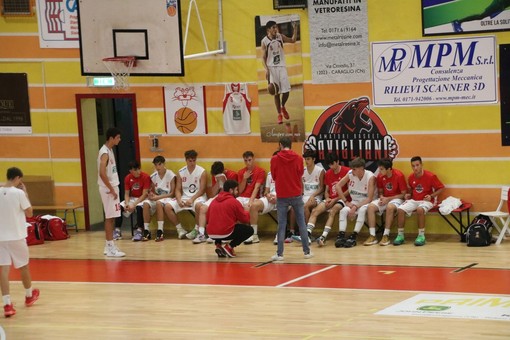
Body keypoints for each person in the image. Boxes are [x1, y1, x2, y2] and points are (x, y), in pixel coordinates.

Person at [0, 167, 40, 318]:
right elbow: (30, 213)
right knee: (23, 267)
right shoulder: (19, 193)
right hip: (16, 236)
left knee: (3, 270)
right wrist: (26, 194)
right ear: (17, 178)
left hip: (0, 237)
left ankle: (7, 304)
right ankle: (29, 295)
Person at [270, 137, 312, 261]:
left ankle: (280, 254)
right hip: (296, 193)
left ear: (280, 145)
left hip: (282, 195)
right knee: (302, 223)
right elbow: (300, 174)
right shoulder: (299, 158)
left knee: (282, 225)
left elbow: (274, 175)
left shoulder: (275, 159)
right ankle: (307, 252)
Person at [394, 156, 445, 246]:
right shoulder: (410, 177)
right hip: (415, 200)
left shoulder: (431, 176)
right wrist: (408, 195)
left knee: (420, 210)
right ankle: (400, 235)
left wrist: (431, 196)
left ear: (421, 165)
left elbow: (441, 188)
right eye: (413, 166)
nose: (415, 168)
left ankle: (421, 236)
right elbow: (411, 190)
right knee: (400, 210)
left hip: (428, 201)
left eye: (417, 165)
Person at [302, 153, 349, 246]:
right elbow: (327, 190)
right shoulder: (328, 173)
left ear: (338, 162)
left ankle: (323, 237)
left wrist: (335, 199)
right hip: (330, 199)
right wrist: (327, 198)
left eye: (333, 164)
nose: (331, 166)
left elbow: (349, 191)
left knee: (333, 211)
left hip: (342, 199)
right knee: (315, 211)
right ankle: (307, 234)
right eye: (329, 165)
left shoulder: (347, 171)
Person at [188, 161, 237, 244]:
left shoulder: (232, 175)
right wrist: (218, 182)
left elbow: (234, 193)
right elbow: (212, 194)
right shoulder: (216, 175)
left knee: (220, 209)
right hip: (218, 196)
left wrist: (225, 183)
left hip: (229, 197)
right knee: (203, 208)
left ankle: (223, 234)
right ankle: (201, 234)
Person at [164, 150, 207, 240]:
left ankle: (196, 229)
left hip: (198, 196)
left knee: (199, 205)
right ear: (186, 160)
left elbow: (202, 190)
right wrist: (179, 199)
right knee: (167, 206)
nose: (192, 163)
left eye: (194, 160)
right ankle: (180, 229)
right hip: (184, 197)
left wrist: (192, 199)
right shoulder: (181, 172)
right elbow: (178, 189)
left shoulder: (202, 171)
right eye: (190, 161)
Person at [334, 157, 376, 248]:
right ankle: (341, 235)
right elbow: (338, 186)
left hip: (366, 202)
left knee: (361, 211)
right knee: (343, 211)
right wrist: (346, 201)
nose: (352, 171)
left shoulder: (370, 177)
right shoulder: (350, 174)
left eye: (354, 169)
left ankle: (354, 236)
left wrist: (355, 207)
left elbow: (369, 198)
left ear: (361, 168)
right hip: (354, 201)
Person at [261, 20, 298, 124]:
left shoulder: (280, 37)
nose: (275, 29)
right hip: (271, 68)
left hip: (281, 66)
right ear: (268, 29)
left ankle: (283, 106)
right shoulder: (264, 41)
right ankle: (279, 115)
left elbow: (293, 40)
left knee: (286, 91)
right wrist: (267, 70)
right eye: (273, 28)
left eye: (276, 27)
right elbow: (263, 58)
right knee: (275, 92)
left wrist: (295, 29)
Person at [364, 158, 407, 246]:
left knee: (390, 207)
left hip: (397, 198)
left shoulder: (399, 175)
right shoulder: (380, 176)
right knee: (370, 207)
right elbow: (380, 191)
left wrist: (389, 199)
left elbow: (403, 194)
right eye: (379, 168)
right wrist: (382, 197)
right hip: (385, 198)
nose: (379, 171)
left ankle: (385, 235)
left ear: (389, 169)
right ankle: (372, 236)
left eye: (382, 169)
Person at [206, 180, 254, 258]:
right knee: (249, 230)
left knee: (218, 224)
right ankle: (229, 247)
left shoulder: (213, 201)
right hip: (225, 233)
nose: (237, 192)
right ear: (231, 190)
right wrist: (247, 212)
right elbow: (244, 219)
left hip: (211, 234)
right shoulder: (234, 201)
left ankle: (218, 245)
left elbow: (208, 218)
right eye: (236, 190)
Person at [98, 127, 125, 257]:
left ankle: (108, 245)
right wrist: (111, 189)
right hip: (109, 190)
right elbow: (102, 173)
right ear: (111, 138)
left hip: (112, 188)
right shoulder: (105, 153)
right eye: (118, 137)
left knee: (112, 218)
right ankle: (110, 247)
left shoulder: (109, 150)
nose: (120, 140)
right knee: (110, 219)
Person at [137, 156, 176, 242]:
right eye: (156, 165)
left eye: (159, 164)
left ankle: (160, 230)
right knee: (146, 204)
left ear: (164, 164)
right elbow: (153, 191)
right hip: (158, 197)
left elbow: (172, 193)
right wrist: (151, 195)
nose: (158, 167)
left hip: (167, 198)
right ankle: (146, 230)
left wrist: (157, 197)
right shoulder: (153, 176)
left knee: (158, 203)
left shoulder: (170, 174)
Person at [114, 160, 150, 241]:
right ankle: (117, 230)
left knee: (139, 208)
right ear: (130, 171)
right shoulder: (127, 178)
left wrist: (134, 204)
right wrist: (127, 204)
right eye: (135, 170)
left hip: (142, 198)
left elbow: (144, 194)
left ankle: (139, 230)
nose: (138, 171)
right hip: (132, 198)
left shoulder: (146, 177)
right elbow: (127, 193)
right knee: (119, 207)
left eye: (139, 169)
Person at [236, 151, 265, 244]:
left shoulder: (260, 171)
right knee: (231, 207)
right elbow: (240, 191)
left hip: (254, 197)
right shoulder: (241, 172)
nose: (248, 163)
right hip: (241, 197)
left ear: (253, 159)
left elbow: (256, 188)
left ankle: (251, 234)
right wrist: (244, 178)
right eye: (246, 161)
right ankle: (230, 232)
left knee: (248, 208)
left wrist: (251, 201)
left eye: (249, 160)